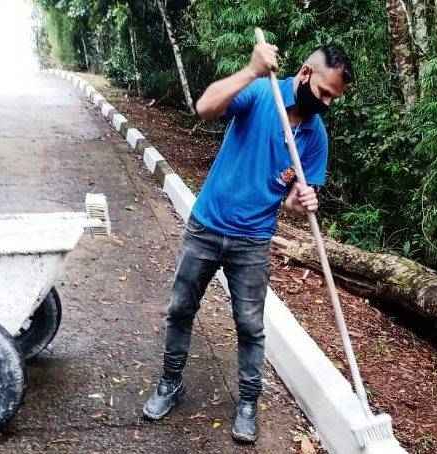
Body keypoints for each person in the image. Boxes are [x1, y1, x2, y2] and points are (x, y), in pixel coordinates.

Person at [143, 40, 352, 443]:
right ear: (306, 74)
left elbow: (293, 197)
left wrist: (304, 198)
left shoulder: (315, 136)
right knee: (181, 308)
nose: (326, 102)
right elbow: (204, 108)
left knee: (250, 326)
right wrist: (252, 70)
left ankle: (248, 403)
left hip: (253, 241)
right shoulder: (260, 92)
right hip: (207, 225)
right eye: (324, 92)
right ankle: (170, 382)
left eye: (333, 99)